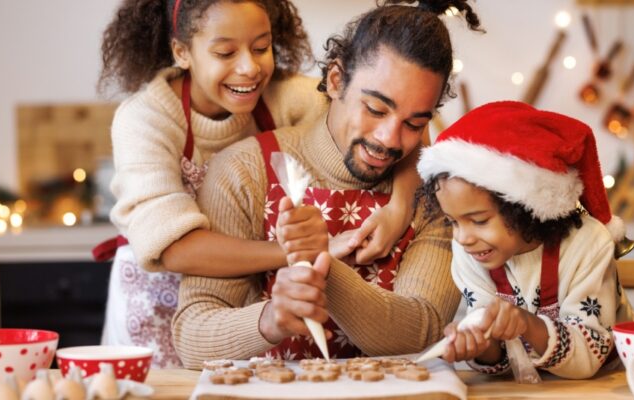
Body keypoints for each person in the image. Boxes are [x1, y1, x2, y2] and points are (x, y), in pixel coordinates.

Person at [97, 0, 419, 368]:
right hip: (155, 302)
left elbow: (397, 122)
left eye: (261, 48)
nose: (250, 68)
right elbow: (174, 249)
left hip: (234, 304)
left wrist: (399, 206)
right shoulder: (145, 118)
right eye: (225, 52)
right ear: (182, 52)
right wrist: (305, 252)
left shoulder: (284, 97)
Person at [172, 0, 484, 368]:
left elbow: (422, 330)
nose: (389, 139)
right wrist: (269, 319)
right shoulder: (244, 171)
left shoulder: (436, 194)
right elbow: (191, 337)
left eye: (415, 124)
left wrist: (320, 264)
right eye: (376, 109)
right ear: (336, 81)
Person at [416, 101, 634, 379]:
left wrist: (525, 324)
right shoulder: (472, 252)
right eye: (453, 221)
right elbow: (497, 356)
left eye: (479, 220)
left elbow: (588, 356)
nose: (462, 238)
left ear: (524, 208)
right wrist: (479, 345)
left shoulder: (588, 244)